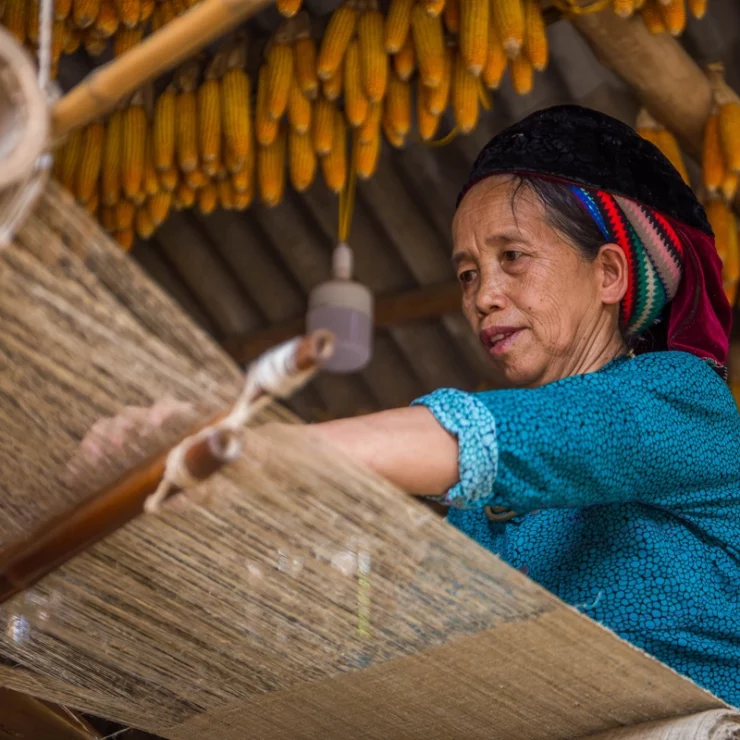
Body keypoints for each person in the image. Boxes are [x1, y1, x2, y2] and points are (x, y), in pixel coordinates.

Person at [270, 105, 740, 706]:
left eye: (512, 257)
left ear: (609, 274)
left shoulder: (679, 397)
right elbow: (414, 671)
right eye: (468, 274)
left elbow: (516, 436)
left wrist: (265, 451)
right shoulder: (482, 507)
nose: (484, 297)